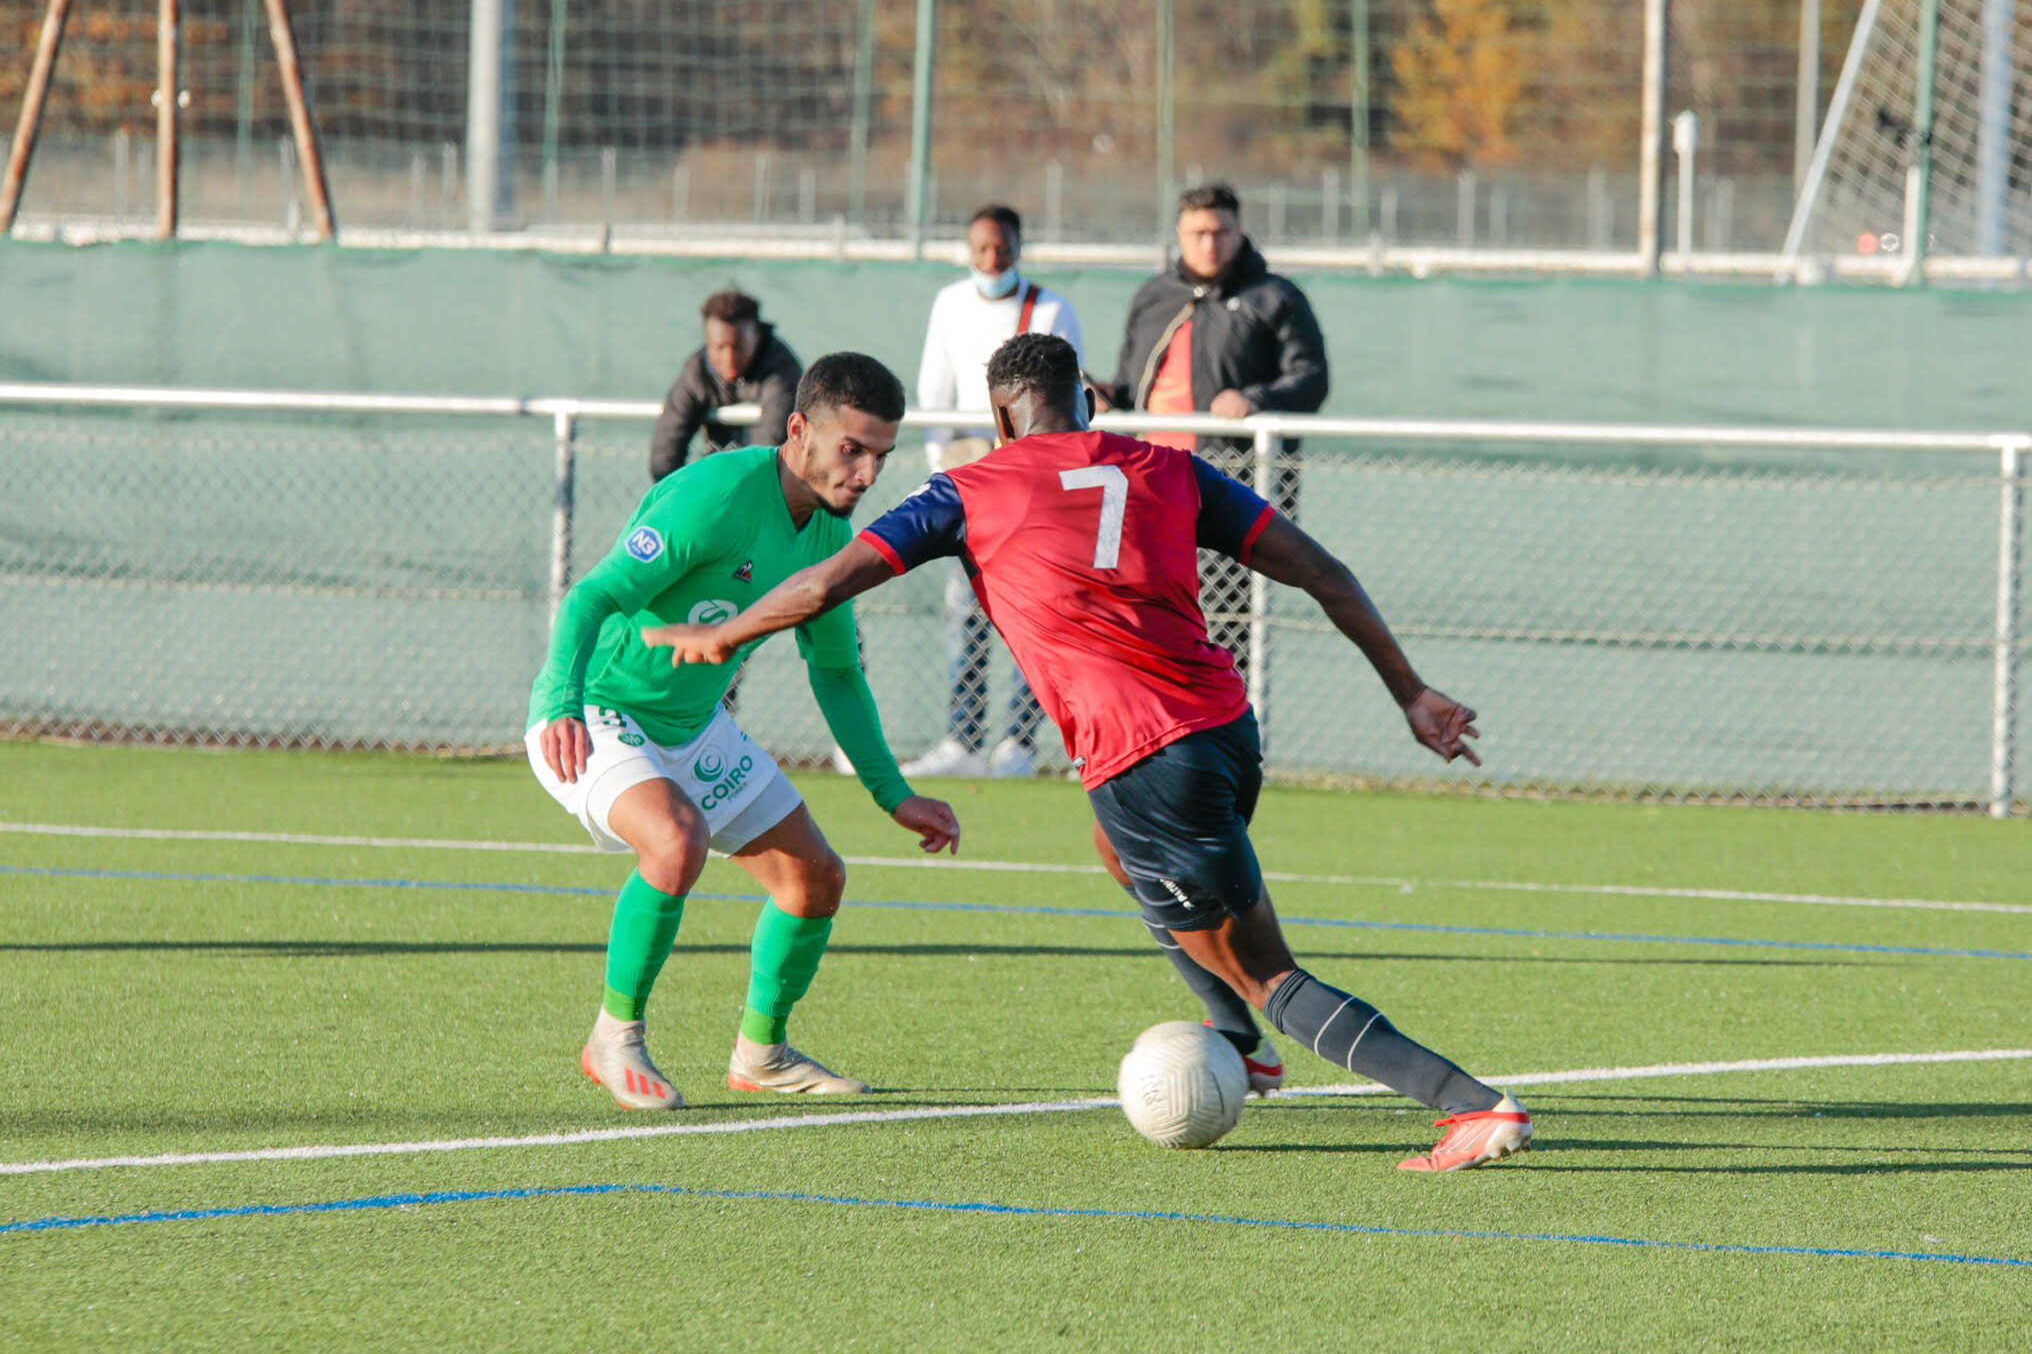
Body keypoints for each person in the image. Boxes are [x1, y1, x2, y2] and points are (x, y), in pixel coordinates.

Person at [648, 333, 1530, 1174]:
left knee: (1265, 970)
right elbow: (1322, 570)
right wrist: (1411, 692)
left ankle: (1467, 1102)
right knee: (1117, 855)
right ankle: (1238, 1046)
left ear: (1000, 420)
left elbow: (825, 583)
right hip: (1227, 732)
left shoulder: (970, 489)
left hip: (1146, 762)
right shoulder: (1174, 470)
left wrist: (728, 637)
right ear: (1094, 402)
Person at [530, 351, 962, 1111]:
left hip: (695, 724)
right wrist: (562, 697)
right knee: (674, 839)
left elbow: (835, 672)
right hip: (599, 707)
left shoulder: (831, 534)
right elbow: (591, 597)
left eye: (880, 458)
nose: (865, 475)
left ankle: (761, 1054)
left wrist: (894, 795)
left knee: (815, 879)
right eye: (850, 451)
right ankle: (614, 1038)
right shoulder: (716, 494)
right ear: (798, 430)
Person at [1103, 184, 1328, 688]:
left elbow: (1311, 378)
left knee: (1225, 622)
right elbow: (1129, 385)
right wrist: (1100, 394)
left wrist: (1255, 399)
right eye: (1199, 233)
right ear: (1180, 235)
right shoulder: (1154, 296)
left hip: (1228, 487)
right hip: (1147, 486)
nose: (1210, 243)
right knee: (1142, 613)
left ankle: (1230, 733)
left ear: (1239, 232)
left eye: (1221, 232)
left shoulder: (1275, 297)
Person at [904, 203, 1085, 779]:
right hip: (978, 488)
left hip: (1038, 490)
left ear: (1019, 247)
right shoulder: (950, 303)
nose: (991, 260)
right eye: (981, 249)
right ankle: (962, 737)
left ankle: (1021, 742)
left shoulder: (1051, 308)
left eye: (1002, 249)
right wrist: (952, 464)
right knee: (969, 610)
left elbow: (1066, 399)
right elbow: (933, 390)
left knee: (1038, 610)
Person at [649, 288, 803, 482]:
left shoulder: (781, 368)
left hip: (770, 490)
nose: (729, 359)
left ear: (756, 336)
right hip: (718, 485)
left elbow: (772, 450)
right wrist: (683, 500)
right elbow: (665, 455)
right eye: (719, 347)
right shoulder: (697, 372)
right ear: (707, 341)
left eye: (739, 347)